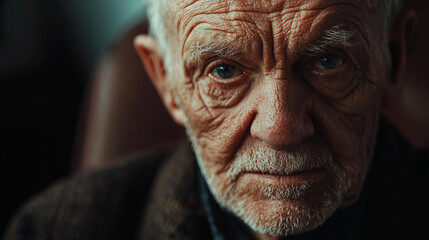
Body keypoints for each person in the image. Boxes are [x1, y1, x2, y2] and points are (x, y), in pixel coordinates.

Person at [3, 0, 428, 239]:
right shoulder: (51, 230)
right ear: (166, 80)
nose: (279, 129)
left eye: (328, 61)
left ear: (393, 58)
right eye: (224, 70)